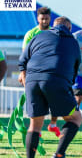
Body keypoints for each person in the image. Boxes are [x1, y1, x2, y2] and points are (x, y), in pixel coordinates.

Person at [18, 17, 82, 158]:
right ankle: (58, 157)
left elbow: (23, 60)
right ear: (69, 28)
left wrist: (26, 78)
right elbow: (75, 67)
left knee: (35, 124)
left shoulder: (39, 36)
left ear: (53, 26)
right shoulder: (72, 42)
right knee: (75, 118)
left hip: (32, 81)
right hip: (56, 81)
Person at [22, 7, 60, 137]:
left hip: (51, 73)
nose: (44, 21)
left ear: (50, 18)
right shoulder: (31, 34)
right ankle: (36, 129)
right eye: (42, 18)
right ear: (38, 18)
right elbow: (24, 55)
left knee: (55, 99)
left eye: (47, 18)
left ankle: (53, 124)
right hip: (34, 73)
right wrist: (23, 74)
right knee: (38, 101)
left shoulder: (55, 33)